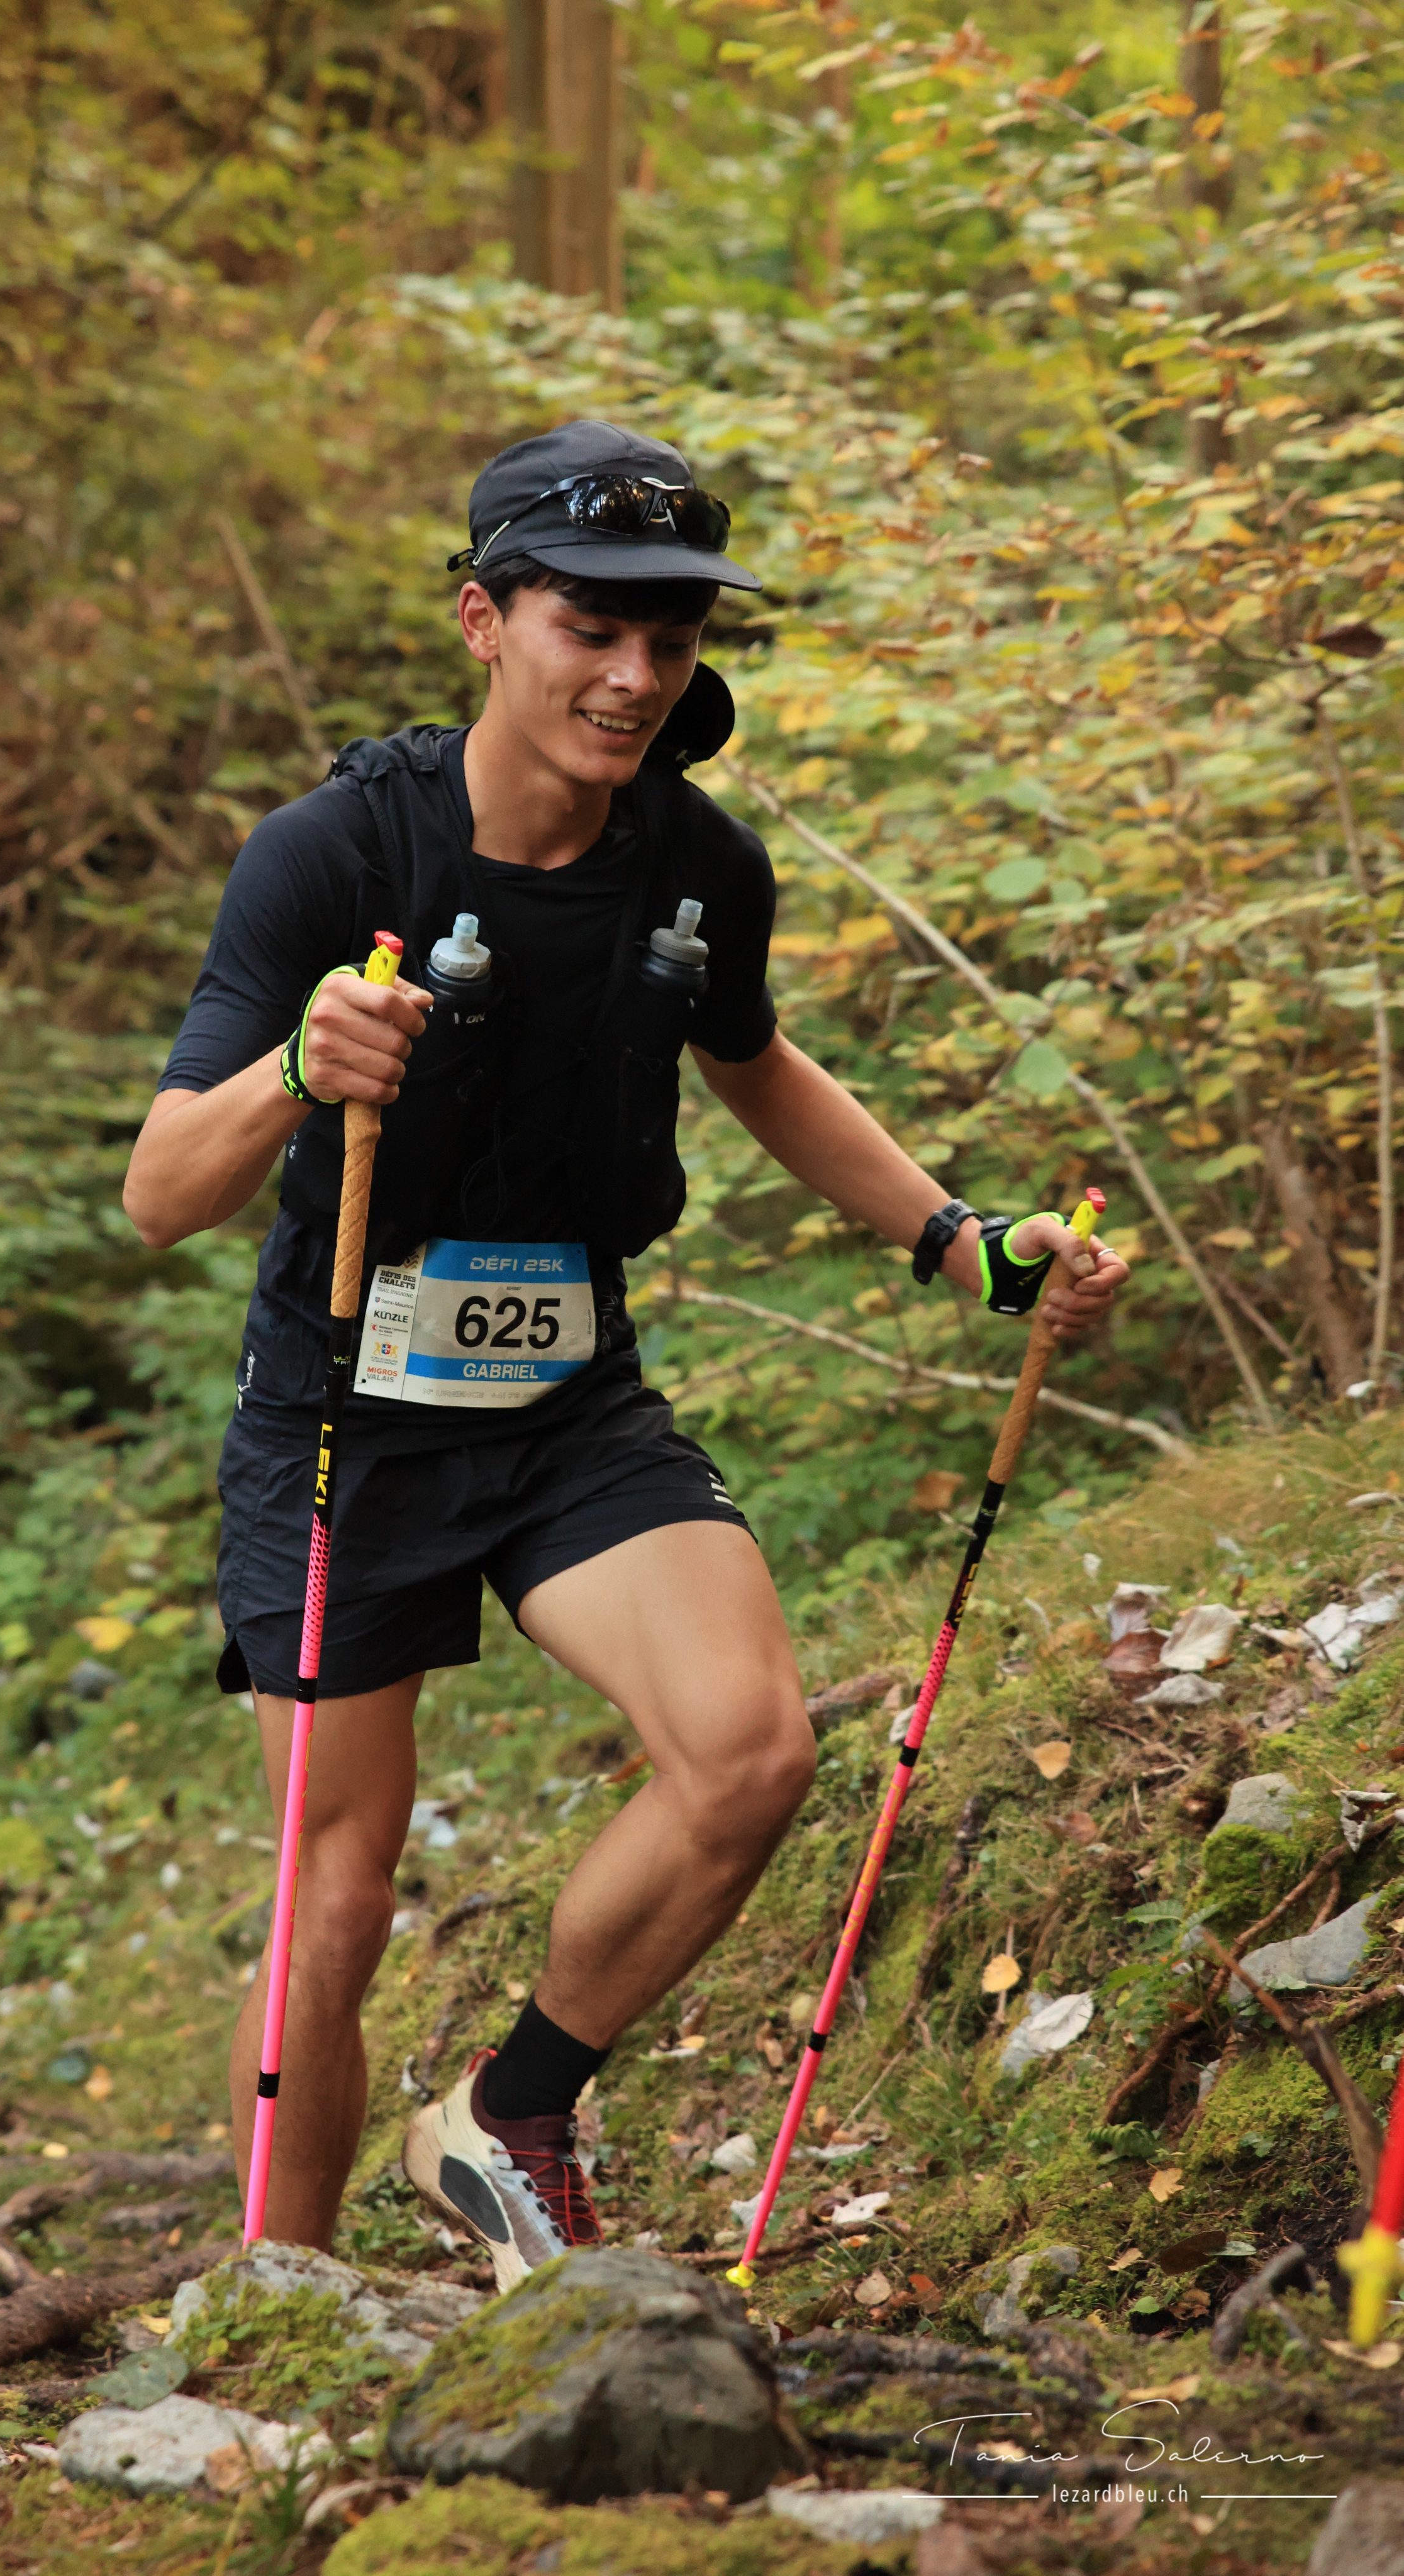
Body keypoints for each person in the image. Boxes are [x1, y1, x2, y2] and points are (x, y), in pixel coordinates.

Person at [123, 418, 1128, 2285]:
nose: (635, 676)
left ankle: (509, 2114)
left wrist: (963, 1243)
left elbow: (753, 1061)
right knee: (335, 1902)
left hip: (569, 1396)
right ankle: (283, 2308)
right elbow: (160, 1191)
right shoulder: (336, 853)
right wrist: (295, 1071)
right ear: (484, 621)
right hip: (347, 1414)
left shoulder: (696, 861)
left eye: (669, 640)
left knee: (748, 1753)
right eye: (592, 628)